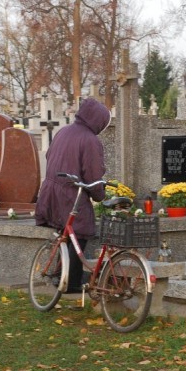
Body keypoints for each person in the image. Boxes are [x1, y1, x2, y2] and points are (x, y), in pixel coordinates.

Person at [35, 98, 111, 293]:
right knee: (81, 231)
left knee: (66, 233)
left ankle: (61, 276)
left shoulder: (63, 131)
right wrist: (100, 195)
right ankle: (71, 282)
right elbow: (93, 173)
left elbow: (49, 156)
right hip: (70, 193)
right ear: (98, 121)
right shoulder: (90, 140)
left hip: (51, 190)